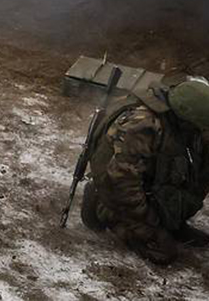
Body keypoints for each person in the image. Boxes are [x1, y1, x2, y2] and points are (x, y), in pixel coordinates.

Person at [81, 77, 209, 265]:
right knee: (164, 253)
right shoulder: (142, 125)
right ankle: (102, 209)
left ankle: (170, 221)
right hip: (117, 195)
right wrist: (147, 229)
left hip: (151, 186)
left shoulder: (184, 123)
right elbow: (120, 183)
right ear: (187, 114)